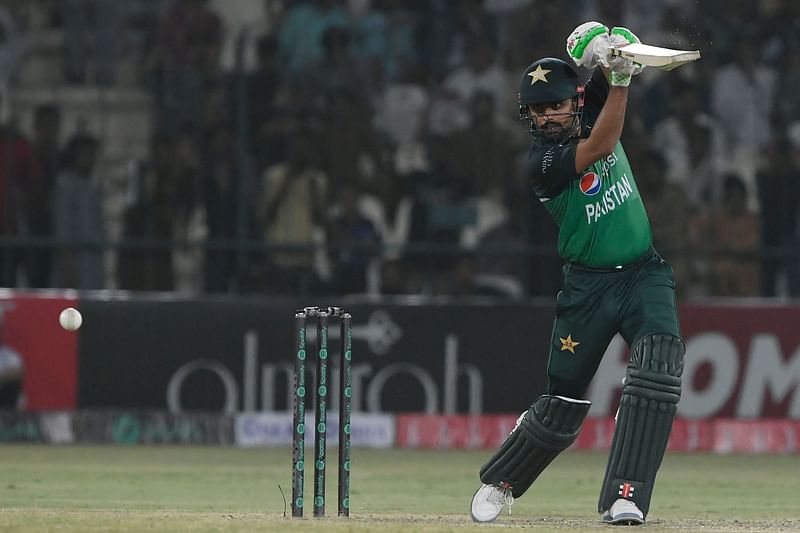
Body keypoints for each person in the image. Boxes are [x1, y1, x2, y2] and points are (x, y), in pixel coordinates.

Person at [469, 22, 684, 526]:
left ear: (574, 101)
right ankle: (503, 480)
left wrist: (611, 49)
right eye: (538, 110)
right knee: (562, 404)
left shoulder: (589, 104)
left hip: (642, 273)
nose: (548, 116)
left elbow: (619, 58)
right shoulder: (542, 162)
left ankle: (625, 495)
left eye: (556, 105)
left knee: (659, 365)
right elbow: (606, 143)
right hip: (587, 288)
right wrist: (622, 77)